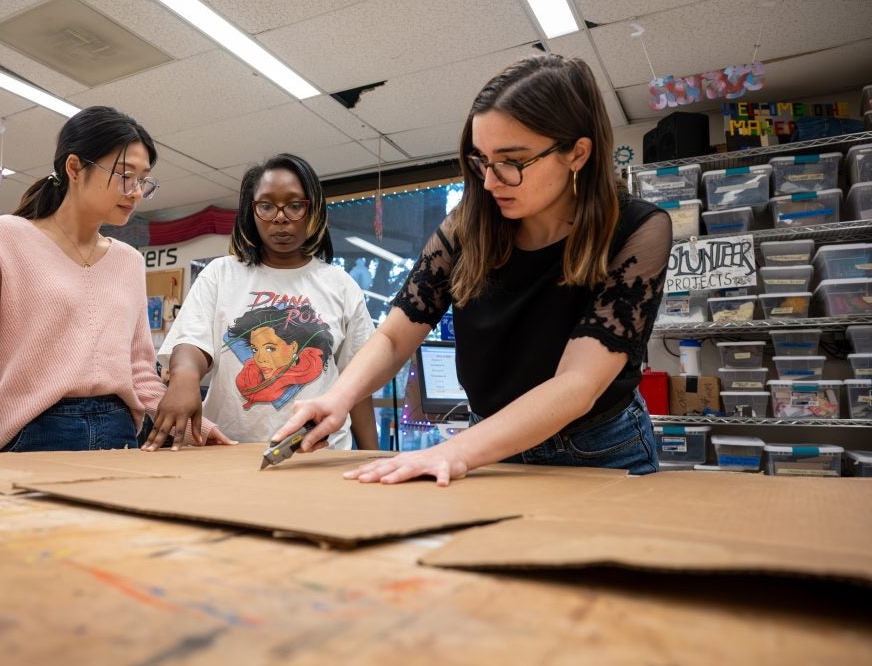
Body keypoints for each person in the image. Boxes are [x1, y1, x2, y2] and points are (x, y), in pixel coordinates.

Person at [270, 54, 672, 484]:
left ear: (577, 153)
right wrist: (337, 398)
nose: (489, 182)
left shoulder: (639, 230)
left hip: (599, 448)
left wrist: (455, 451)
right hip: (487, 444)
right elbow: (393, 338)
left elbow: (577, 385)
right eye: (481, 160)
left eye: (511, 162)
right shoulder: (469, 224)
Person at [0, 106, 229, 464]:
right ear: (75, 168)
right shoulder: (4, 238)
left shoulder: (127, 260)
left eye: (144, 181)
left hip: (119, 433)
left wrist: (196, 426)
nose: (135, 192)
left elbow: (139, 372)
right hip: (31, 431)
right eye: (125, 175)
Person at [145, 153, 378, 451]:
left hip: (318, 455)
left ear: (313, 210)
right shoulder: (220, 274)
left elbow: (357, 384)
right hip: (227, 451)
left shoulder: (341, 286)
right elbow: (192, 341)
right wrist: (184, 377)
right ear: (251, 212)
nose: (280, 217)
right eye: (266, 206)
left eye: (295, 205)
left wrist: (371, 455)